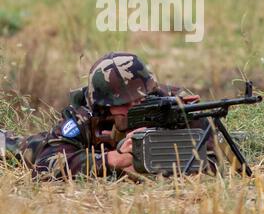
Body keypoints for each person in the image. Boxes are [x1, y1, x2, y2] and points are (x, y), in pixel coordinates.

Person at [0, 51, 216, 180]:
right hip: (88, 150)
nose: (134, 108)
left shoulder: (175, 104)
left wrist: (159, 148)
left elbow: (214, 160)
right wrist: (112, 160)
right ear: (104, 106)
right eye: (123, 104)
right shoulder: (85, 116)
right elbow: (46, 166)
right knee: (23, 148)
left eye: (140, 101)